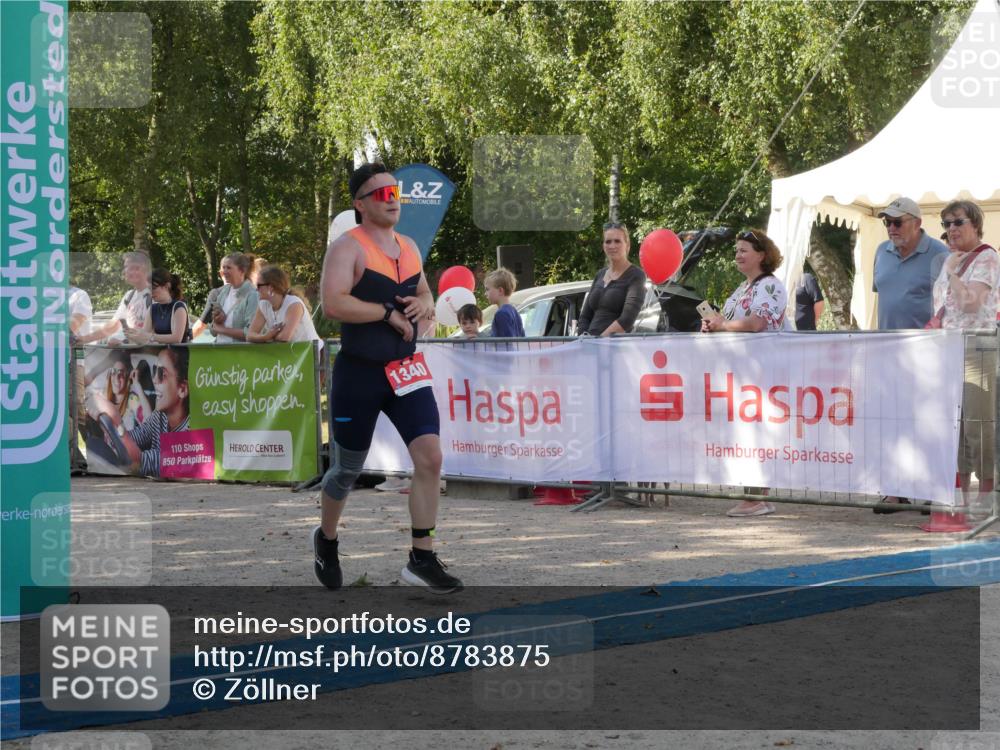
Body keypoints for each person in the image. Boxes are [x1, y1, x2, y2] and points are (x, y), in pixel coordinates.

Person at [318, 161, 461, 594]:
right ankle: (325, 540)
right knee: (346, 469)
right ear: (361, 204)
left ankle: (422, 558)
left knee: (431, 457)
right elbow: (332, 305)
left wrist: (425, 306)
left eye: (396, 191)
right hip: (360, 372)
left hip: (405, 369)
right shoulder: (347, 247)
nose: (392, 199)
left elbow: (422, 291)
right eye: (382, 193)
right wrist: (385, 313)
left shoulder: (410, 246)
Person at [702, 229, 791, 517]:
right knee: (745, 433)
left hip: (762, 373)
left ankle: (756, 497)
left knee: (757, 433)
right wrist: (712, 324)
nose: (738, 255)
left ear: (762, 255)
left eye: (744, 250)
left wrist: (722, 326)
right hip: (742, 374)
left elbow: (757, 323)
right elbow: (728, 321)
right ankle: (752, 494)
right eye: (737, 250)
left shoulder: (770, 286)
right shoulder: (742, 289)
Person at [933, 200, 999, 510]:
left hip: (976, 345)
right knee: (953, 421)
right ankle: (959, 490)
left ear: (975, 223)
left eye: (957, 222)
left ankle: (986, 492)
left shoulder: (986, 257)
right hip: (949, 345)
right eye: (946, 224)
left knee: (976, 421)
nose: (951, 229)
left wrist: (951, 273)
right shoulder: (953, 260)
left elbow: (971, 303)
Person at [873, 197, 949, 330]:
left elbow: (953, 306)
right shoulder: (881, 251)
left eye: (897, 222)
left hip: (925, 346)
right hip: (885, 344)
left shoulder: (940, 254)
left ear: (917, 223)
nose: (891, 228)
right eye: (887, 222)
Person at [577, 222, 648, 336]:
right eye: (608, 241)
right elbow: (585, 316)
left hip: (614, 348)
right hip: (588, 347)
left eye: (617, 241)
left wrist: (598, 342)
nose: (612, 246)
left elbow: (626, 320)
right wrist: (583, 339)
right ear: (603, 245)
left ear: (627, 245)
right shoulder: (600, 274)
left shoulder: (636, 275)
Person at [75, 252, 151, 345]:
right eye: (126, 267)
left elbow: (156, 332)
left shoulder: (155, 295)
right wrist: (84, 339)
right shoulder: (129, 295)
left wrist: (124, 342)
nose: (126, 271)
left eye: (134, 268)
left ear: (144, 270)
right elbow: (114, 324)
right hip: (128, 349)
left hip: (145, 349)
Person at [247, 265, 320, 345]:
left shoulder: (294, 304)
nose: (256, 289)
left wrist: (265, 337)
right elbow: (250, 336)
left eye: (259, 285)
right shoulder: (263, 305)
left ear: (271, 287)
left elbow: (284, 337)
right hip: (292, 353)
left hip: (312, 353)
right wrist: (266, 337)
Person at [205, 253, 260, 343]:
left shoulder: (253, 295)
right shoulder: (223, 292)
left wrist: (222, 329)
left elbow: (252, 333)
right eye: (223, 267)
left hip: (240, 354)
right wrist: (216, 320)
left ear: (242, 271)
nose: (224, 271)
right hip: (221, 352)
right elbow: (213, 331)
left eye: (229, 268)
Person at [127, 269, 191, 345]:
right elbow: (143, 338)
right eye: (149, 289)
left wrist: (150, 337)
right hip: (159, 354)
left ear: (167, 286)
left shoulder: (179, 307)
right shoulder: (152, 308)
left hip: (179, 354)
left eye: (153, 288)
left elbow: (177, 338)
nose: (150, 293)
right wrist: (123, 340)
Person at [485, 268, 524, 337]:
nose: (485, 294)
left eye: (487, 289)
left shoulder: (501, 314)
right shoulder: (513, 310)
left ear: (500, 290)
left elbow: (505, 344)